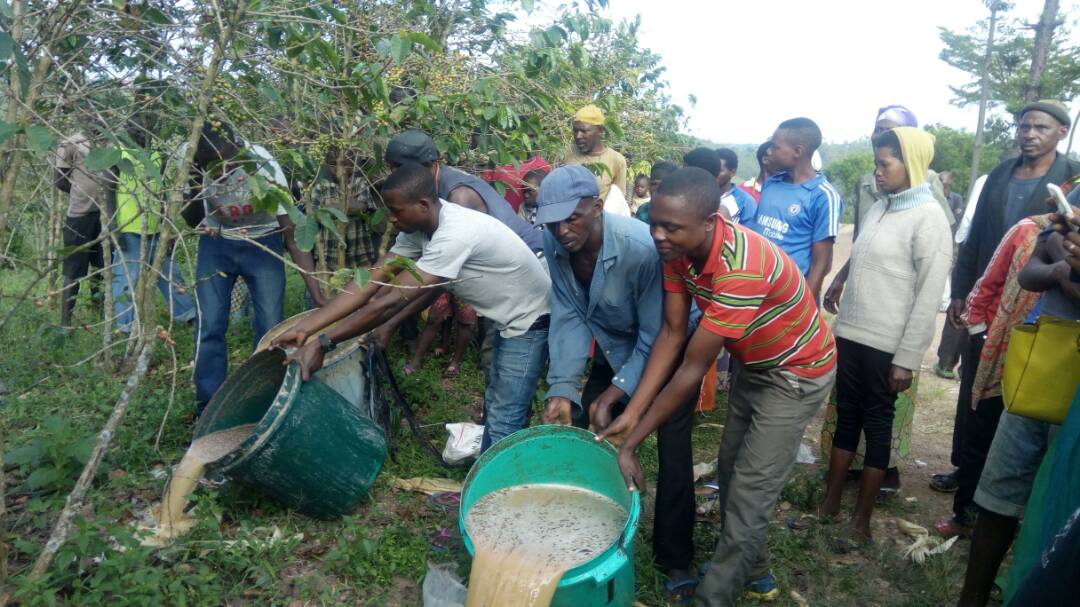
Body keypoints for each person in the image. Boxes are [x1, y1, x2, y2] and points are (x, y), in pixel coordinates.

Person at [596, 168, 837, 605]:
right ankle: (756, 570)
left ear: (710, 222)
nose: (659, 235)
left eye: (671, 227)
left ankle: (714, 596)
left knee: (750, 489)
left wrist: (631, 442)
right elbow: (671, 334)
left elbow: (692, 368)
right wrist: (632, 413)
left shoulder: (740, 266)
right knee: (730, 469)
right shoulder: (676, 253)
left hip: (795, 373)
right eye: (654, 223)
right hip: (754, 364)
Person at [273, 164, 551, 452]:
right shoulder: (420, 228)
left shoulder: (455, 234)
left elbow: (390, 300)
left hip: (530, 320)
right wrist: (304, 328)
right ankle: (493, 476)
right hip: (508, 318)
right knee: (497, 403)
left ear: (421, 205)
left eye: (395, 210)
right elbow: (371, 280)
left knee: (506, 415)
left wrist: (324, 342)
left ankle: (493, 489)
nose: (390, 218)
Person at [536, 165, 697, 602]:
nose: (562, 230)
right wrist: (562, 388)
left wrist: (621, 391)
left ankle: (675, 555)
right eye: (552, 220)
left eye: (572, 218)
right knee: (596, 430)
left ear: (597, 206)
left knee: (672, 446)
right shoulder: (554, 243)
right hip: (613, 344)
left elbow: (658, 334)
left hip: (669, 347)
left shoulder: (641, 249)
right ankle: (595, 535)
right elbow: (569, 315)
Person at [934, 99, 1079, 534]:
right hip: (988, 301)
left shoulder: (1070, 178)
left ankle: (1004, 511)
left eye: (1041, 127)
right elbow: (976, 235)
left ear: (1060, 134)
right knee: (975, 396)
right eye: (1024, 125)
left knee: (1014, 404)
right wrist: (961, 291)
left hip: (1038, 311)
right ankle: (968, 488)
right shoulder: (1000, 174)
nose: (1029, 133)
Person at [818, 128, 952, 548]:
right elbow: (860, 263)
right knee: (846, 418)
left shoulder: (930, 218)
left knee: (876, 426)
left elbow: (929, 294)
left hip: (886, 345)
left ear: (910, 164)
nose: (876, 171)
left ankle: (861, 521)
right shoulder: (879, 208)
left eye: (885, 163)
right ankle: (831, 503)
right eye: (876, 162)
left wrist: (907, 357)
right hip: (852, 335)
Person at [954, 193, 1080, 607]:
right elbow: (1030, 272)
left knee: (1064, 508)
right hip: (1044, 360)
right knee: (1000, 489)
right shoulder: (1077, 194)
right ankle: (972, 599)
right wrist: (1064, 270)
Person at [182, 122, 326, 414]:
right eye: (214, 168)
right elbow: (192, 220)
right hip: (217, 241)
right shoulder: (190, 158)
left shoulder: (263, 165)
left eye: (228, 165)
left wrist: (318, 293)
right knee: (210, 323)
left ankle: (262, 398)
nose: (223, 174)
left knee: (270, 327)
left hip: (263, 241)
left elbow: (291, 234)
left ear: (238, 148)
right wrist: (196, 182)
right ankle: (209, 406)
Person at [384, 129, 542, 254]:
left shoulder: (458, 195)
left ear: (428, 165)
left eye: (398, 168)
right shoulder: (430, 186)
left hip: (533, 254)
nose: (393, 175)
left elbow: (452, 257)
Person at [744, 117, 842, 300]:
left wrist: (803, 310)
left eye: (775, 147)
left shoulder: (823, 196)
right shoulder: (772, 183)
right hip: (753, 292)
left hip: (787, 300)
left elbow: (820, 265)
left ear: (798, 151)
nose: (770, 151)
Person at [111, 135, 196, 332]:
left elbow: (163, 193)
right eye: (132, 123)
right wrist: (112, 227)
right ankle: (125, 327)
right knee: (126, 280)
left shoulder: (158, 156)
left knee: (170, 275)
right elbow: (108, 190)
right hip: (128, 229)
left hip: (156, 229)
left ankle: (188, 316)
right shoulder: (117, 155)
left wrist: (168, 226)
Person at [52, 133, 110, 329]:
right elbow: (60, 180)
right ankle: (66, 323)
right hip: (79, 216)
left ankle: (98, 311)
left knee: (101, 266)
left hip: (104, 214)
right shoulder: (69, 143)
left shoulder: (109, 141)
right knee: (74, 269)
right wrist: (80, 192)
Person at [310, 151, 385, 281]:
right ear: (327, 165)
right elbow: (314, 215)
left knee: (360, 284)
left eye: (345, 164)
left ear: (353, 165)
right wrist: (349, 205)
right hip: (329, 252)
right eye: (333, 164)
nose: (339, 169)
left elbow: (363, 207)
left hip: (359, 250)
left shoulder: (359, 183)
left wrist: (332, 209)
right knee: (328, 284)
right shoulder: (320, 186)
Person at [563, 103, 628, 203]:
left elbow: (619, 201)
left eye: (584, 131)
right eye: (575, 130)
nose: (578, 136)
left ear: (600, 130)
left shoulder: (616, 160)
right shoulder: (568, 152)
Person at [482, 154, 551, 212]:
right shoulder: (494, 162)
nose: (526, 195)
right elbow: (484, 194)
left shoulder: (543, 166)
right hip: (500, 220)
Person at [716, 148, 757, 224]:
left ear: (732, 172)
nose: (714, 173)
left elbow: (748, 234)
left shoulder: (746, 202)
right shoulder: (702, 193)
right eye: (712, 168)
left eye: (719, 170)